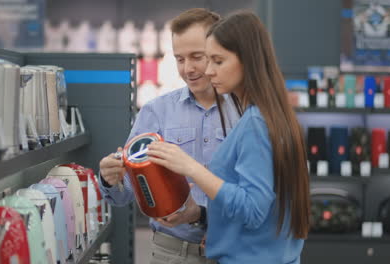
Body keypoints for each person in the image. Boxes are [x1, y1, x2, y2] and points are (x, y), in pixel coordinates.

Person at [147, 10, 311, 263]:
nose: (209, 71)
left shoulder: (256, 122)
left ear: (247, 60)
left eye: (218, 61)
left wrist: (191, 167)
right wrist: (198, 214)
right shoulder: (275, 116)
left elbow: (252, 210)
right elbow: (264, 210)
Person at [98, 8, 238, 264]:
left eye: (197, 57)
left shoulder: (245, 113)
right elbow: (126, 194)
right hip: (173, 253)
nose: (188, 69)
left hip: (236, 250)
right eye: (180, 59)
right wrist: (111, 180)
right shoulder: (156, 111)